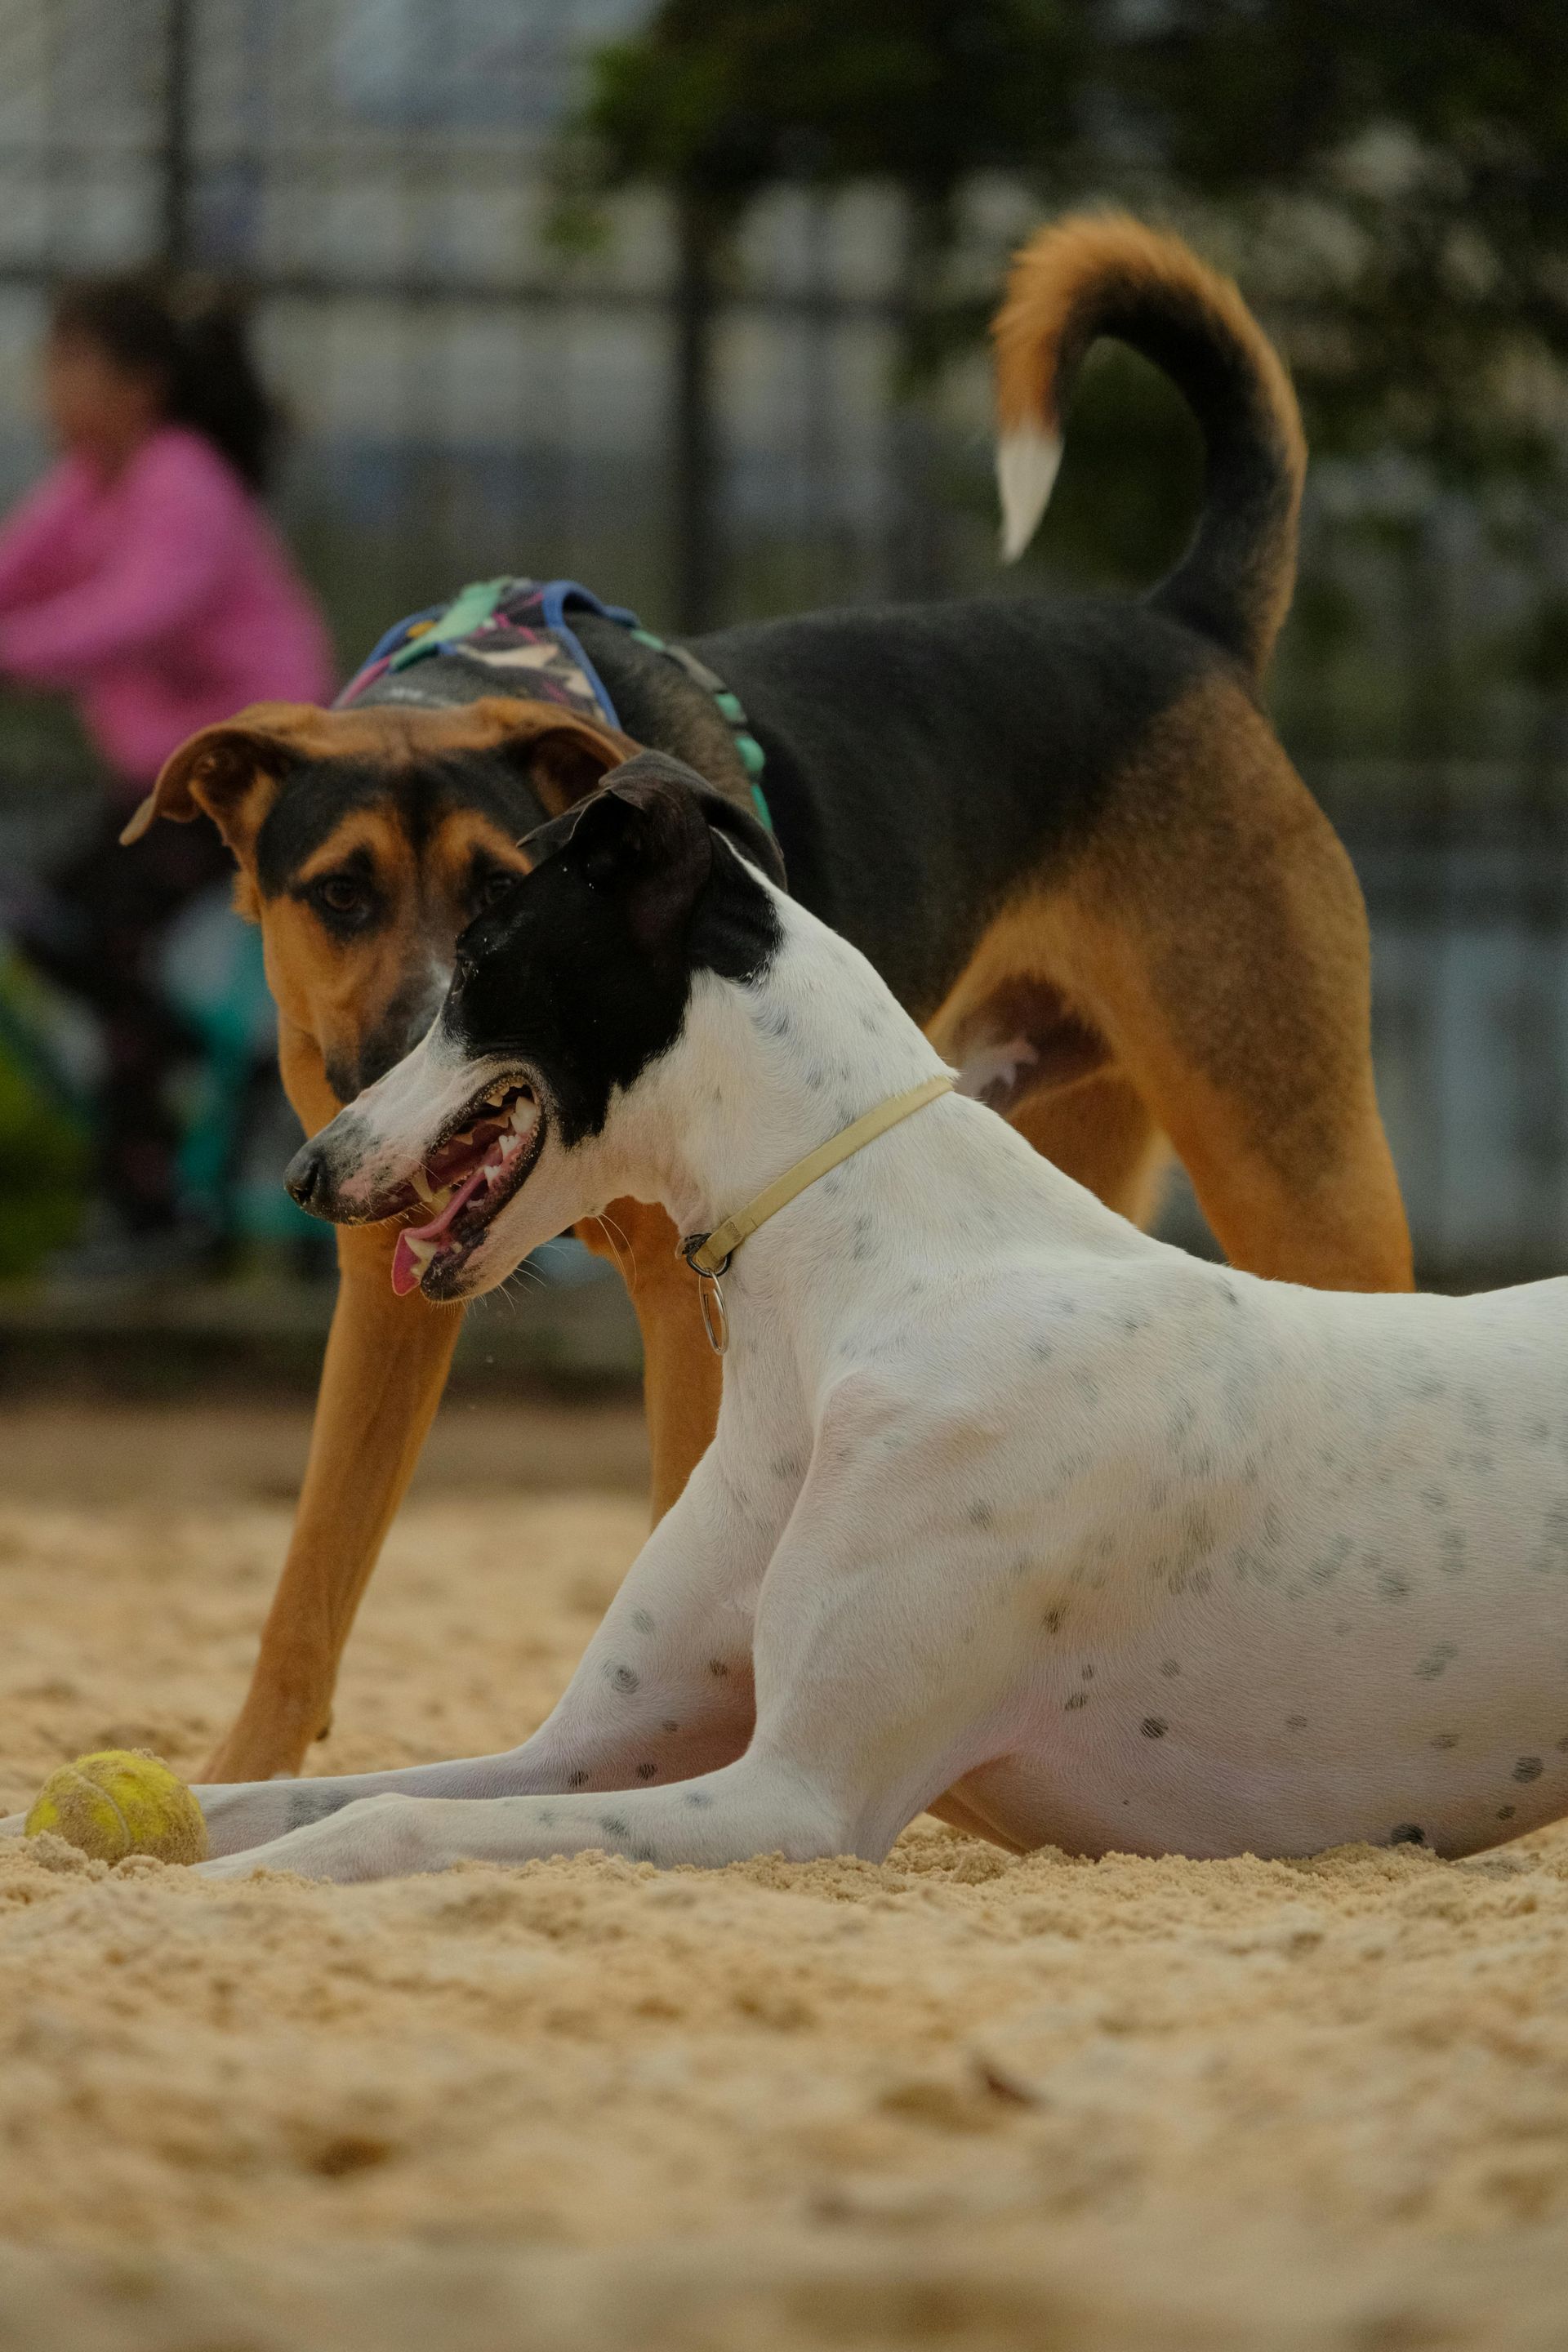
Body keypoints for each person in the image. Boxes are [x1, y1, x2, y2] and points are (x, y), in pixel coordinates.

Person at [0, 275, 333, 1272]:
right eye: (45, 367)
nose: (49, 392)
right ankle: (214, 1103)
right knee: (61, 934)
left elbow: (139, 611)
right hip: (162, 792)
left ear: (141, 384)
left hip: (246, 785)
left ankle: (163, 1205)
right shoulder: (88, 484)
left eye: (72, 366)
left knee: (103, 944)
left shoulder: (181, 477)